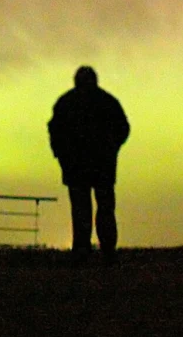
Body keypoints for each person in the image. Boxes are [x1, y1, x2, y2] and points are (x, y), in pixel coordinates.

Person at [48, 66, 130, 264]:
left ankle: (86, 249)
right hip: (97, 166)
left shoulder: (66, 102)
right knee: (100, 208)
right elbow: (123, 128)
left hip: (82, 166)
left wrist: (61, 155)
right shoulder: (107, 102)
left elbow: (55, 132)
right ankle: (104, 250)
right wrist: (112, 149)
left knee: (85, 208)